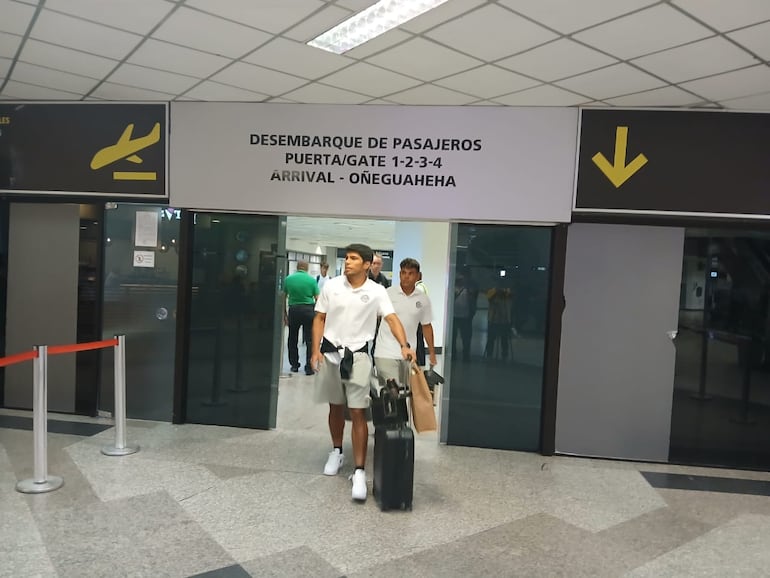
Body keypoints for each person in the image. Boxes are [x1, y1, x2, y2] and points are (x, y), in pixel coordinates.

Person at [310, 244, 414, 502]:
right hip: (331, 353)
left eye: (354, 259)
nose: (348, 262)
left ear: (367, 264)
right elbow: (319, 318)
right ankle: (337, 451)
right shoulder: (331, 286)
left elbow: (391, 319)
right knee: (335, 407)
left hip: (358, 356)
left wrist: (404, 345)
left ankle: (358, 471)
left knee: (357, 411)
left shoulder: (376, 291)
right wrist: (315, 351)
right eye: (347, 258)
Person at [375, 258, 438, 383]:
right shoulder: (387, 294)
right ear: (399, 274)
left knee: (405, 393)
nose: (406, 277)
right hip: (385, 352)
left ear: (418, 276)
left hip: (409, 355)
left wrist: (431, 352)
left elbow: (426, 326)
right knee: (392, 391)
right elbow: (375, 317)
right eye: (403, 273)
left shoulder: (423, 299)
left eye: (410, 273)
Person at [283, 260, 319, 375]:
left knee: (292, 338)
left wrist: (284, 314)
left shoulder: (288, 279)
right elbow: (318, 298)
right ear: (307, 268)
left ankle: (294, 365)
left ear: (297, 267)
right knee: (309, 339)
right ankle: (309, 367)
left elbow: (283, 297)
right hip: (308, 310)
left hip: (294, 310)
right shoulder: (312, 280)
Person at [452, 269, 477, 362]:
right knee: (453, 337)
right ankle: (453, 355)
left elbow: (474, 298)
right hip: (454, 316)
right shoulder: (453, 286)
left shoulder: (471, 287)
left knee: (466, 337)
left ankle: (466, 355)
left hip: (466, 316)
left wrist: (472, 312)